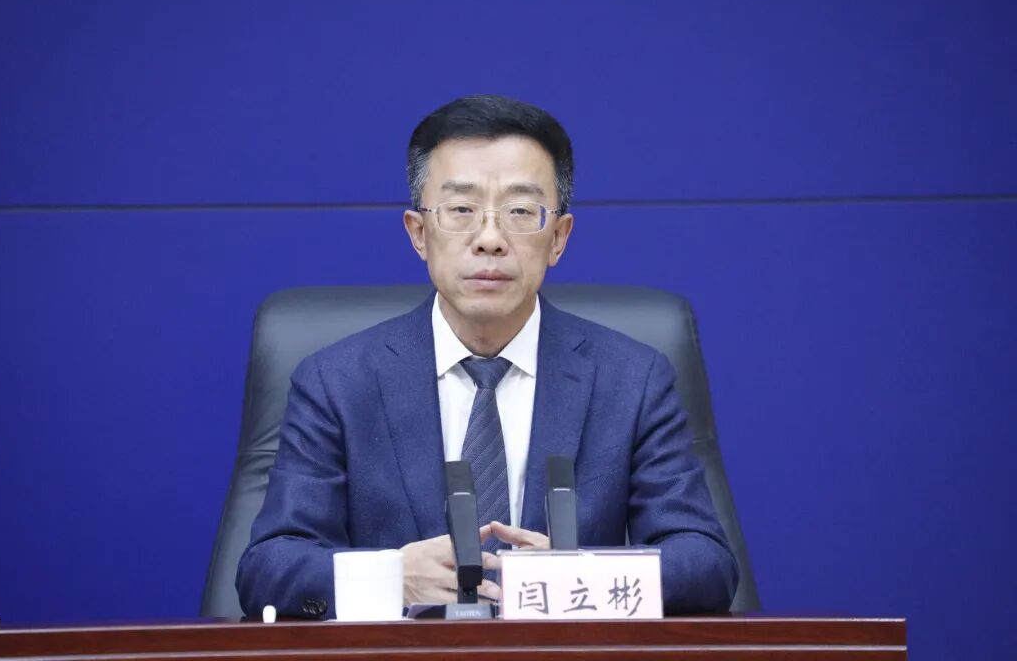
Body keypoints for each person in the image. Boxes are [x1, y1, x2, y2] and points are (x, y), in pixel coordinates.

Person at [236, 95, 738, 618]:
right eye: (461, 210)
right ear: (418, 233)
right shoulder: (337, 382)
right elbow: (269, 568)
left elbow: (705, 563)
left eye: (520, 211)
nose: (491, 239)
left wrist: (582, 577)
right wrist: (392, 578)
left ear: (559, 238)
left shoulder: (632, 380)